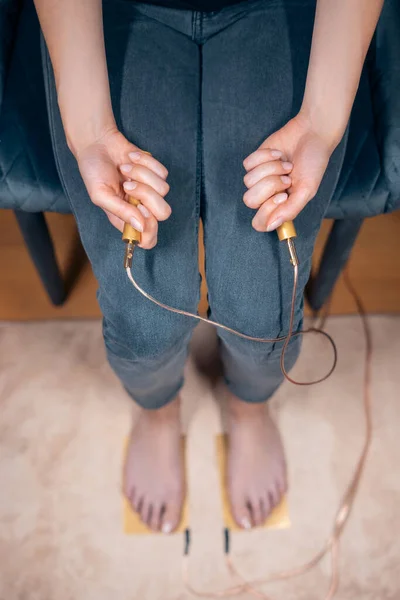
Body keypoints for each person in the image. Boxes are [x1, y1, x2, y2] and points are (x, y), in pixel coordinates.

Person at [34, 0, 383, 534]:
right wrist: (91, 133)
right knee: (145, 314)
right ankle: (157, 412)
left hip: (282, 11)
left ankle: (249, 406)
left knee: (262, 310)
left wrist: (321, 121)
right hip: (113, 14)